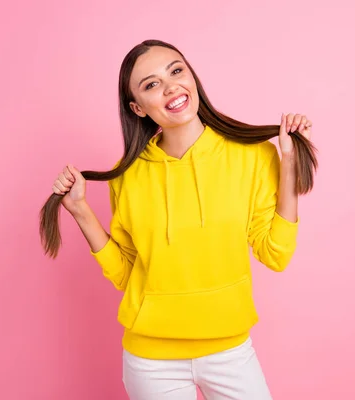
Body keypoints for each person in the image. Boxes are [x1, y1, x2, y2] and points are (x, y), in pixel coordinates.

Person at [39, 39, 317, 400]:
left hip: (229, 350)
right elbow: (127, 273)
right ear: (137, 108)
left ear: (191, 76)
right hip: (151, 360)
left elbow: (275, 254)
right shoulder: (125, 176)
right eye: (151, 84)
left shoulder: (254, 156)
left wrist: (289, 166)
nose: (170, 86)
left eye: (176, 70)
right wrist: (81, 210)